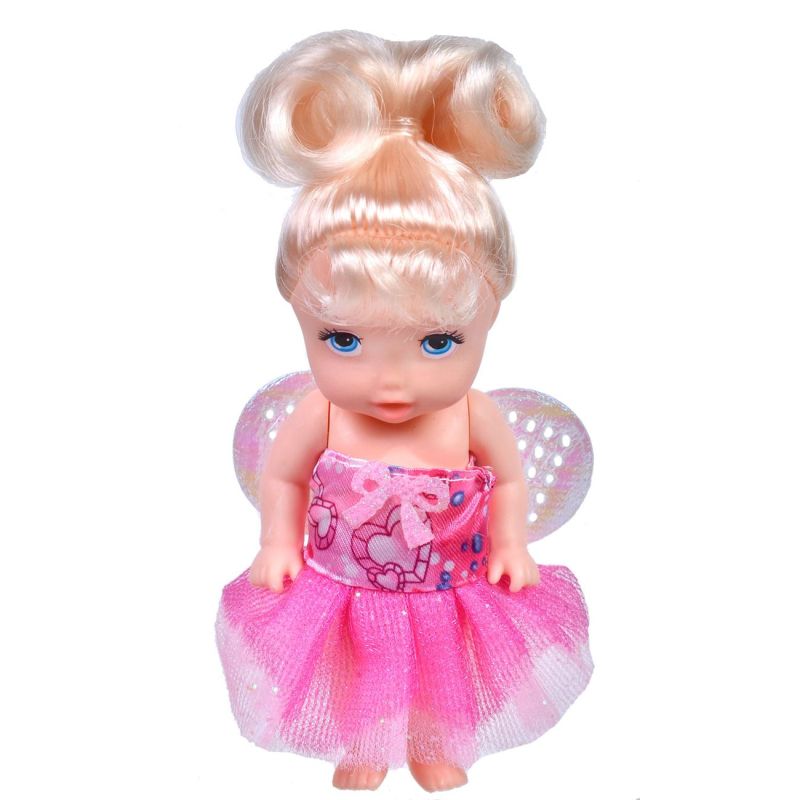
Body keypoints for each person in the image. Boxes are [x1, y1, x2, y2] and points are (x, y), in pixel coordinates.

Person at [216, 30, 593, 792]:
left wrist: (511, 543)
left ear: (490, 317)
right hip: (343, 590)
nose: (391, 383)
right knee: (362, 671)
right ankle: (362, 748)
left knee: (441, 676)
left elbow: (510, 481)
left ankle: (436, 747)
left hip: (449, 593)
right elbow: (284, 477)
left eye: (438, 343)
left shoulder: (471, 416)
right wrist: (278, 541)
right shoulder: (323, 413)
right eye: (343, 340)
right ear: (300, 317)